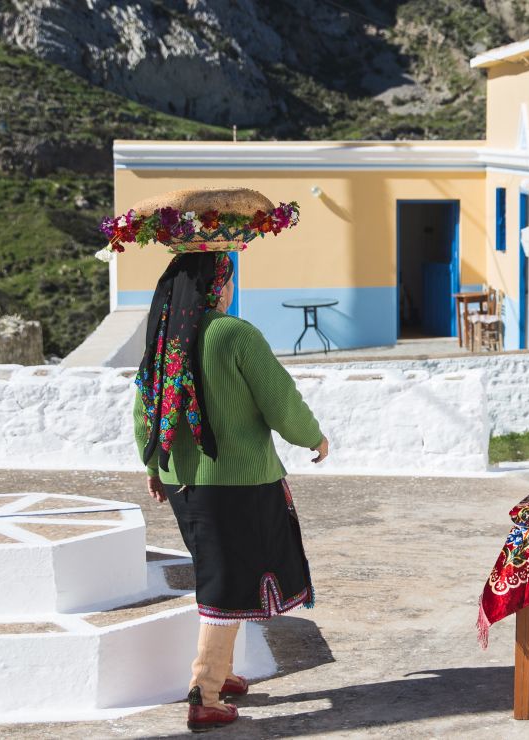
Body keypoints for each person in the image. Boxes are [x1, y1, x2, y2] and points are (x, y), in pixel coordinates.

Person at [133, 251, 329, 732]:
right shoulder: (234, 334)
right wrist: (312, 437)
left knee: (223, 571)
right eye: (226, 280)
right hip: (240, 484)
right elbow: (279, 398)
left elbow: (146, 409)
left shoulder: (164, 340)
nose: (228, 289)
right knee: (224, 582)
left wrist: (154, 463)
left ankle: (220, 672)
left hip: (184, 482)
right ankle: (207, 692)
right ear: (215, 285)